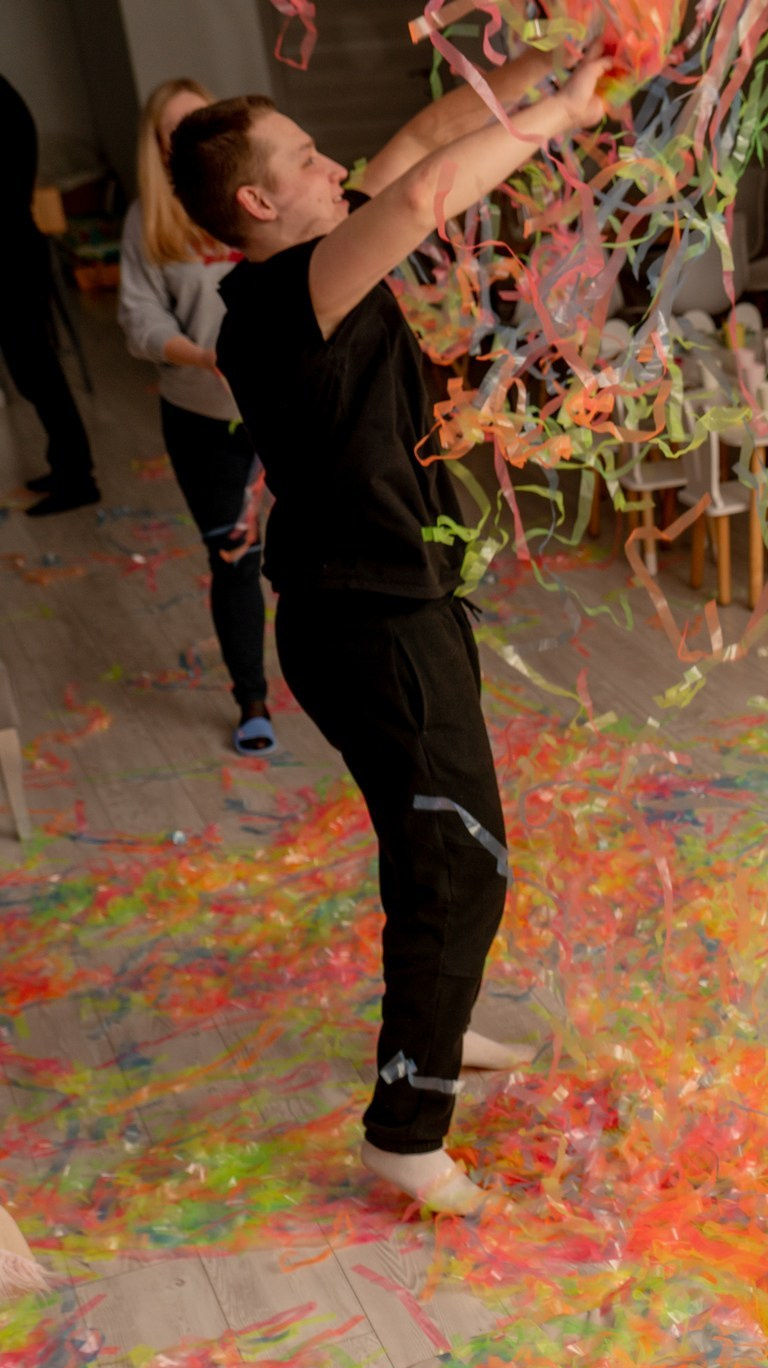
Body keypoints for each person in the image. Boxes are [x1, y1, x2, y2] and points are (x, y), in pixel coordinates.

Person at [169, 52, 607, 1213]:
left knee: (445, 852)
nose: (332, 165)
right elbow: (419, 199)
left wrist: (543, 65)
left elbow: (416, 148)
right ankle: (405, 1133)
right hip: (366, 623)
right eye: (305, 159)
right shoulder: (275, 304)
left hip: (396, 600)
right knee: (456, 863)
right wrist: (564, 118)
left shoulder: (316, 260)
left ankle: (441, 1037)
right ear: (258, 204)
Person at [119, 78, 275, 756]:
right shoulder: (148, 222)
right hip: (203, 418)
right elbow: (138, 319)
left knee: (316, 550)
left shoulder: (263, 199)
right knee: (235, 557)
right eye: (172, 137)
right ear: (158, 152)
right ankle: (252, 700)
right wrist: (205, 355)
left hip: (288, 411)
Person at [0, 75, 98, 515]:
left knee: (37, 371)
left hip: (10, 252)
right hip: (16, 247)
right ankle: (67, 467)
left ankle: (78, 478)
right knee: (33, 372)